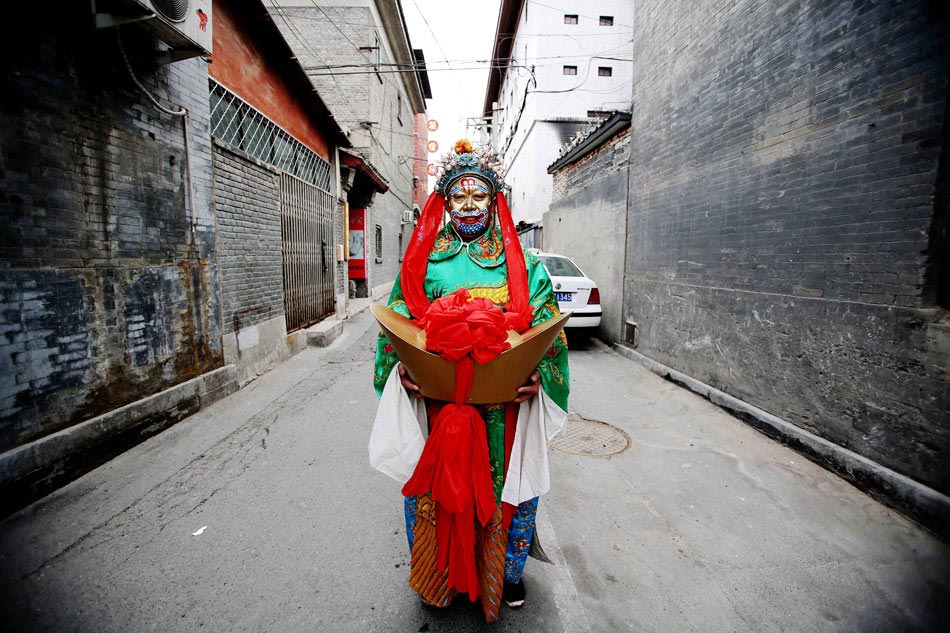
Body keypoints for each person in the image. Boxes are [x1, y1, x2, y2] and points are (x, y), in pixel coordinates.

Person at [369, 139, 569, 622]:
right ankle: (438, 576)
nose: (468, 206)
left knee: (509, 489)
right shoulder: (424, 263)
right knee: (438, 491)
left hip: (505, 408)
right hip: (441, 407)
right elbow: (397, 319)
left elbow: (546, 325)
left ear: (495, 200)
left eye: (479, 196)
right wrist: (404, 370)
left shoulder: (523, 264)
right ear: (444, 202)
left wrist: (538, 376)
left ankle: (507, 571)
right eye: (458, 196)